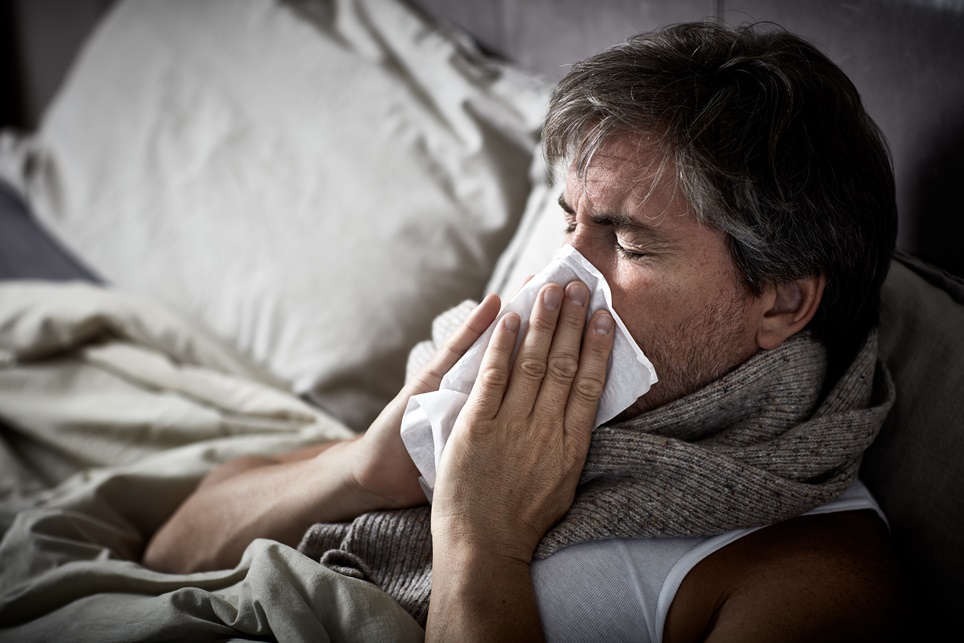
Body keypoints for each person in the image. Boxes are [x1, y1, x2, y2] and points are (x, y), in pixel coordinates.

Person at [143, 21, 904, 641]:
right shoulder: (481, 407)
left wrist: (482, 537)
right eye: (568, 222)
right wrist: (363, 467)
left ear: (782, 303)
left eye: (629, 243)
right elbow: (169, 552)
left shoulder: (813, 576)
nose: (556, 276)